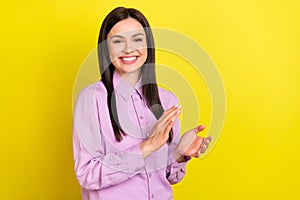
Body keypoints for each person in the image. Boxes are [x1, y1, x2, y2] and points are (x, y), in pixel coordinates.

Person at [73, 7, 212, 200]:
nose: (129, 49)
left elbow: (167, 177)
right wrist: (147, 147)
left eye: (137, 39)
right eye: (118, 41)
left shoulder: (167, 100)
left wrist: (179, 154)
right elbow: (87, 174)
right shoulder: (91, 99)